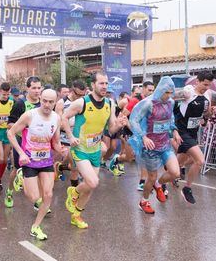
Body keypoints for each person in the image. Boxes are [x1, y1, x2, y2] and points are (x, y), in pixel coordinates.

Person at [61, 71, 126, 228]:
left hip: (95, 150)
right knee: (93, 182)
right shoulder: (82, 103)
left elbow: (110, 128)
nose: (104, 86)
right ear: (93, 85)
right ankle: (74, 192)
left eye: (106, 83)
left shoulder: (109, 103)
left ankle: (76, 215)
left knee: (90, 187)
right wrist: (70, 136)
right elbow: (63, 117)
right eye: (101, 83)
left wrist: (119, 124)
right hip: (80, 149)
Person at [7, 89, 65, 240]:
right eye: (44, 100)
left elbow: (56, 141)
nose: (46, 104)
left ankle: (36, 227)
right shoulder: (29, 115)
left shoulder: (56, 118)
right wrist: (21, 153)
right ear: (40, 98)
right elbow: (11, 133)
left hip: (46, 160)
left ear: (55, 102)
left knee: (48, 194)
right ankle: (21, 175)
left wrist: (61, 149)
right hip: (29, 160)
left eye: (50, 102)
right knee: (34, 197)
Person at [129, 77, 182, 214]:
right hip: (150, 147)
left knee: (175, 172)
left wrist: (175, 131)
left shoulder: (170, 102)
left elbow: (171, 119)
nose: (169, 95)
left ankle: (158, 184)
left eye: (171, 93)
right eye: (166, 92)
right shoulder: (148, 103)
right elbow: (134, 120)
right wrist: (143, 137)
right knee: (150, 178)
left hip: (164, 144)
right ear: (161, 90)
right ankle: (144, 201)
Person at [174, 71, 213, 204]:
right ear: (197, 81)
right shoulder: (188, 91)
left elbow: (205, 115)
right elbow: (170, 99)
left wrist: (209, 114)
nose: (206, 87)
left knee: (177, 164)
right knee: (200, 161)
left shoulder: (208, 95)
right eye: (204, 84)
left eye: (209, 85)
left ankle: (162, 181)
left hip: (193, 132)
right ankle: (187, 188)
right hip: (182, 131)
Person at [5, 77, 42, 209]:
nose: (37, 91)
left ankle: (38, 201)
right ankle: (9, 192)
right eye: (34, 88)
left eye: (39, 88)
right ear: (27, 88)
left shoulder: (43, 103)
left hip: (38, 144)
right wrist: (24, 128)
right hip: (21, 142)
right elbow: (9, 124)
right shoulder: (20, 103)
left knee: (38, 171)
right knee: (16, 170)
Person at [124, 81, 155, 190]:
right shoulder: (135, 100)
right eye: (149, 90)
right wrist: (133, 129)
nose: (151, 92)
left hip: (144, 133)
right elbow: (122, 116)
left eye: (153, 90)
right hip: (130, 131)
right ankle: (117, 160)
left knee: (144, 155)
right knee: (129, 158)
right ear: (143, 89)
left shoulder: (151, 101)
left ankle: (142, 181)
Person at [54, 80, 86, 186]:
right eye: (78, 94)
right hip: (65, 137)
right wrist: (70, 122)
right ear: (72, 90)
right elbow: (59, 123)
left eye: (83, 95)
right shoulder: (61, 103)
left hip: (78, 136)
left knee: (75, 165)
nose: (80, 97)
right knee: (74, 164)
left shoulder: (83, 101)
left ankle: (61, 168)